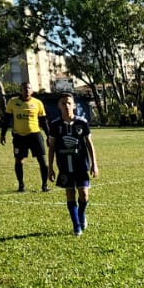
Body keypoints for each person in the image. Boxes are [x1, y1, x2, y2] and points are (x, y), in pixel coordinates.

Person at [49, 95, 98, 236]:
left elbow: (89, 143)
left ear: (74, 105)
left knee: (84, 195)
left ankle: (81, 215)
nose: (66, 105)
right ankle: (76, 227)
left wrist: (94, 164)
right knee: (70, 194)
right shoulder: (55, 125)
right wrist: (50, 167)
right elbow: (51, 147)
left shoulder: (82, 122)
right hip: (64, 165)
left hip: (81, 165)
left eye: (69, 103)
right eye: (63, 103)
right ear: (59, 106)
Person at [1, 81, 51, 192]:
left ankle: (44, 185)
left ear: (32, 90)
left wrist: (48, 136)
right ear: (21, 90)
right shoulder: (13, 102)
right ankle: (21, 185)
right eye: (24, 88)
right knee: (19, 161)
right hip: (19, 136)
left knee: (43, 161)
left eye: (29, 88)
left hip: (35, 135)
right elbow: (7, 119)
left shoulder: (38, 103)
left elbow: (43, 121)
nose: (27, 90)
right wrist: (3, 134)